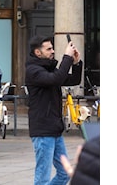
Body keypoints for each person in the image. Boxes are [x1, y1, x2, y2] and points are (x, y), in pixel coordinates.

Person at [25, 35, 82, 185]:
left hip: (54, 129)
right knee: (42, 177)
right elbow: (56, 79)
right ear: (38, 52)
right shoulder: (33, 71)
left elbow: (71, 80)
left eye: (52, 48)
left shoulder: (48, 69)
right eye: (48, 49)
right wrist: (66, 57)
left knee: (64, 173)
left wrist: (76, 63)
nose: (52, 51)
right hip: (43, 130)